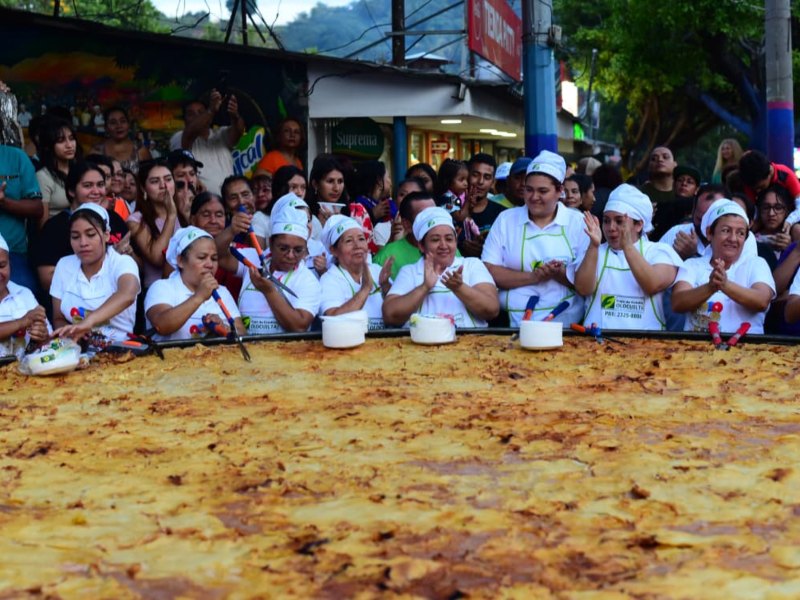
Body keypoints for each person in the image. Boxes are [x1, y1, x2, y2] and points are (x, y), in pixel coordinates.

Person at [482, 150, 589, 327]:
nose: (534, 197)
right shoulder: (506, 220)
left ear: (560, 191)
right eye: (529, 190)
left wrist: (559, 274)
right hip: (511, 323)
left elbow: (586, 283)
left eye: (543, 191)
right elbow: (489, 269)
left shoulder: (577, 223)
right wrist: (534, 277)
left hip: (564, 324)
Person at [575, 185, 682, 330]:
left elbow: (652, 285)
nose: (611, 227)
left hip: (647, 345)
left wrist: (627, 247)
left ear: (639, 225)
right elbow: (583, 289)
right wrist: (593, 246)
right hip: (597, 344)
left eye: (619, 221)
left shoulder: (659, 252)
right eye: (606, 221)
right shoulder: (594, 252)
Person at [383, 206, 498, 328]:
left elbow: (492, 310)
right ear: (421, 245)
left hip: (472, 344)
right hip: (421, 344)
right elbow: (390, 315)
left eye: (449, 239)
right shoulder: (410, 272)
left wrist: (459, 288)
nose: (443, 245)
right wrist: (425, 287)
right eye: (435, 240)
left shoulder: (472, 265)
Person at [672, 199, 775, 334]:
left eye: (740, 233)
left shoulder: (756, 264)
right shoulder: (692, 265)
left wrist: (725, 285)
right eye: (726, 231)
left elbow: (762, 301)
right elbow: (678, 302)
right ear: (709, 233)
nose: (733, 238)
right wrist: (710, 287)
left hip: (749, 351)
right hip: (697, 350)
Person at [34, 161, 134, 295]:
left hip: (117, 299)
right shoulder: (55, 226)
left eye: (100, 185)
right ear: (71, 191)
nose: (96, 191)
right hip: (74, 304)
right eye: (87, 186)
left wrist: (129, 254)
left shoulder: (114, 218)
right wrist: (108, 258)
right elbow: (46, 280)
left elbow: (138, 267)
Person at [50, 204, 140, 342]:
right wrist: (72, 335)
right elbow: (58, 318)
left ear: (106, 235)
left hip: (120, 349)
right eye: (75, 236)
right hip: (77, 350)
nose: (83, 243)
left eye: (91, 234)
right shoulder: (64, 265)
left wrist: (87, 322)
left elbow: (127, 294)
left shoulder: (122, 263)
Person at [145, 226, 244, 341]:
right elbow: (161, 325)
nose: (209, 265)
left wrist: (224, 328)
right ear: (180, 261)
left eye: (214, 258)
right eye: (202, 258)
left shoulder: (222, 292)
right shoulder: (162, 287)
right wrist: (199, 297)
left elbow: (242, 333)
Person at [235, 202, 321, 334]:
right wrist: (231, 230)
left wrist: (269, 291)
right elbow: (221, 256)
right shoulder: (254, 261)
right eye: (283, 248)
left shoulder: (308, 281)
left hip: (286, 352)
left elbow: (299, 327)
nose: (290, 255)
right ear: (270, 243)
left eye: (298, 250)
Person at [319, 215, 393, 330]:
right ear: (333, 250)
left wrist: (386, 287)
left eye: (361, 239)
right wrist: (365, 289)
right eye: (349, 241)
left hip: (382, 344)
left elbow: (398, 314)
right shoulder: (329, 280)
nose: (357, 246)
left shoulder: (377, 270)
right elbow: (333, 321)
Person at [169, 91, 245, 195]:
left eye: (201, 112)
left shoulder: (220, 134)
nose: (197, 117)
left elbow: (238, 131)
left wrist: (235, 116)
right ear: (185, 119)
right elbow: (191, 131)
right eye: (191, 114)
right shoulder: (179, 137)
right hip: (202, 204)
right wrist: (210, 111)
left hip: (229, 201)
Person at [127, 159, 180, 289]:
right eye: (155, 181)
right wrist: (171, 216)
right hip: (158, 290)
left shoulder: (184, 213)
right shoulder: (135, 220)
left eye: (168, 179)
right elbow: (157, 258)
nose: (164, 185)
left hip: (187, 288)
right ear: (143, 188)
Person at [0, 142, 43, 290]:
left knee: (27, 299)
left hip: (12, 254)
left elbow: (37, 208)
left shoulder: (16, 157)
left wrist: (3, 202)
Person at [0, 233, 50, 359]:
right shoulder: (24, 319)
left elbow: (46, 344)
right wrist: (21, 322)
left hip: (22, 376)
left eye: (2, 266)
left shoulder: (23, 294)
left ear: (10, 264)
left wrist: (42, 337)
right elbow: (23, 322)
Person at [373, 191, 436, 280]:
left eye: (436, 215)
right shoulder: (386, 257)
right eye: (423, 217)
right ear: (407, 225)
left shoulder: (448, 249)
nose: (433, 221)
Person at [460, 153, 505, 257]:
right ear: (466, 176)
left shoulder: (502, 214)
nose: (480, 181)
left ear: (493, 182)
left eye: (487, 177)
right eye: (475, 175)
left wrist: (486, 249)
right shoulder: (452, 211)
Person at [36, 117, 79, 223]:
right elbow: (42, 225)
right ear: (49, 145)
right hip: (57, 233)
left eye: (71, 138)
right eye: (61, 141)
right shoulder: (43, 176)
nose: (69, 145)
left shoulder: (80, 170)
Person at [90, 106, 151, 174]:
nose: (119, 126)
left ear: (128, 124)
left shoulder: (140, 151)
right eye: (113, 122)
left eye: (123, 121)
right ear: (106, 127)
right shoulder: (97, 151)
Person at [753, 185, 795, 260]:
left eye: (778, 208)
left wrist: (790, 249)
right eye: (766, 207)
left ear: (787, 210)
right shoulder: (750, 238)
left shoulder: (795, 236)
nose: (771, 213)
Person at [353, 160, 396, 225]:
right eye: (389, 177)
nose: (391, 183)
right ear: (379, 181)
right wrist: (372, 215)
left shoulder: (388, 204)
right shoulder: (359, 205)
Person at [640, 146, 676, 212]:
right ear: (649, 166)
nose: (660, 160)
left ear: (675, 164)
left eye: (665, 157)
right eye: (654, 158)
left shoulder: (683, 192)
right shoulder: (639, 194)